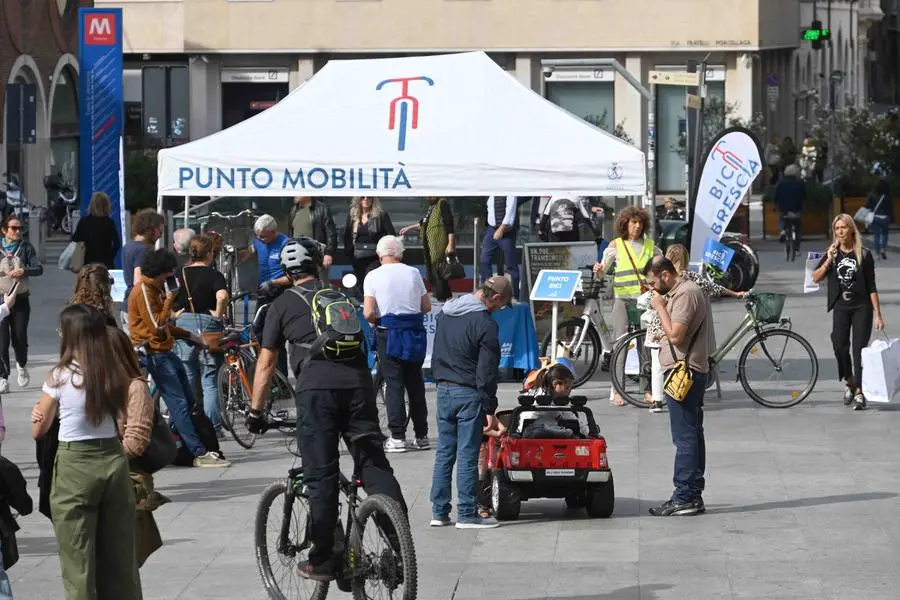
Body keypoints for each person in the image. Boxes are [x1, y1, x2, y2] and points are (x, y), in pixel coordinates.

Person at [246, 237, 407, 581]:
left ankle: (324, 558)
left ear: (287, 272)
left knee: (321, 475)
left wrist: (256, 412)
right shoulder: (339, 297)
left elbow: (265, 363)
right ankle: (399, 545)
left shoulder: (281, 305)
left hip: (317, 392)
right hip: (359, 386)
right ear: (319, 266)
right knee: (373, 463)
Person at [31, 305, 143, 599]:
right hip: (113, 461)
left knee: (77, 559)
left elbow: (38, 430)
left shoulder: (59, 376)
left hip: (75, 465)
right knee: (120, 559)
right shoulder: (114, 373)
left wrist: (41, 413)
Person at [128, 249, 230, 467]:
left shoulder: (154, 289)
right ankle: (198, 452)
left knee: (190, 401)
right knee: (179, 403)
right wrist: (170, 299)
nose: (170, 280)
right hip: (154, 353)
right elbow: (157, 325)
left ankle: (192, 445)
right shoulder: (144, 291)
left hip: (165, 350)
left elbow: (164, 328)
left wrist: (189, 336)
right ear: (160, 273)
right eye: (168, 275)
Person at [429, 275, 510, 529]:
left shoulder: (446, 313)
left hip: (443, 389)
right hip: (468, 392)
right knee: (467, 453)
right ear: (494, 298)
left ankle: (439, 512)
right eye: (501, 305)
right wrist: (489, 407)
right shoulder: (484, 323)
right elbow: (486, 370)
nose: (499, 310)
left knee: (444, 452)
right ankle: (466, 513)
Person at [641, 245, 747, 413]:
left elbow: (648, 302)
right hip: (673, 336)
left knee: (658, 366)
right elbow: (715, 288)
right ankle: (664, 396)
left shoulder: (668, 282)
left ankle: (657, 398)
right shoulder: (688, 279)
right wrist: (736, 294)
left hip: (657, 330)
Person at [642, 256, 710, 517]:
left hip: (684, 372)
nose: (652, 288)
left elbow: (677, 335)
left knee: (684, 436)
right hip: (688, 368)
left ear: (666, 275)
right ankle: (692, 494)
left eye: (653, 282)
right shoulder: (683, 291)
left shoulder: (685, 293)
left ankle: (684, 495)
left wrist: (660, 307)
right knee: (692, 432)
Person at [363, 235, 430, 452]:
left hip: (388, 332)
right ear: (400, 253)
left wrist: (375, 323)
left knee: (394, 385)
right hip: (414, 332)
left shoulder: (372, 276)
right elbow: (426, 306)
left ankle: (398, 436)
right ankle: (422, 435)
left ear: (379, 254)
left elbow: (368, 313)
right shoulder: (413, 272)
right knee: (415, 385)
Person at [812, 214, 884, 410]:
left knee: (859, 350)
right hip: (841, 307)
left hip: (862, 307)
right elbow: (815, 278)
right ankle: (850, 381)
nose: (840, 232)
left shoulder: (864, 254)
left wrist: (878, 314)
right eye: (837, 229)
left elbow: (871, 286)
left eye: (844, 227)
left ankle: (860, 391)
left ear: (852, 229)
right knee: (838, 345)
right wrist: (828, 260)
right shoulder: (832, 253)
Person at [593, 206, 660, 404]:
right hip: (622, 299)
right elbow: (601, 273)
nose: (637, 226)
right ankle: (617, 390)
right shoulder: (616, 245)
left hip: (645, 301)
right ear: (625, 223)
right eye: (633, 222)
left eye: (639, 223)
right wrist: (598, 269)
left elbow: (660, 267)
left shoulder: (651, 246)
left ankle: (647, 388)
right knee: (620, 344)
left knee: (646, 346)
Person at [110, 327, 164, 568]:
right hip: (102, 477)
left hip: (127, 480)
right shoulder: (91, 387)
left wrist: (97, 455)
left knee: (123, 566)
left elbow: (135, 442)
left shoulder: (135, 387)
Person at [173, 235, 229, 434]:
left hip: (183, 326)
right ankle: (213, 428)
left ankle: (187, 426)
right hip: (208, 327)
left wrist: (174, 313)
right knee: (209, 380)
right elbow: (221, 296)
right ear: (209, 254)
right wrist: (218, 313)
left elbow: (167, 295)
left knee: (187, 378)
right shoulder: (214, 274)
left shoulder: (179, 272)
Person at [241, 215, 292, 376]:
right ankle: (266, 371)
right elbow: (244, 255)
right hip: (264, 293)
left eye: (263, 236)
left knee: (276, 336)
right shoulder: (258, 241)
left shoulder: (286, 244)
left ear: (274, 232)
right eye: (257, 236)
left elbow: (293, 275)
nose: (259, 239)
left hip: (280, 292)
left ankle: (281, 376)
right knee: (259, 333)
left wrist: (274, 283)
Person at [0, 215, 43, 392]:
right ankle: (3, 377)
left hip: (20, 299)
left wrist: (24, 271)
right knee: (2, 341)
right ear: (4, 230)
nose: (17, 231)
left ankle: (21, 364)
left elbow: (38, 268)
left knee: (19, 337)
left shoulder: (26, 248)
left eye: (20, 228)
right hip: (1, 298)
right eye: (13, 228)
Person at [400, 197, 456, 301]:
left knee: (439, 270)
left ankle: (442, 297)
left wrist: (450, 244)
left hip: (439, 244)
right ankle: (442, 296)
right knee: (433, 272)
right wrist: (409, 228)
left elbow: (449, 224)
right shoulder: (432, 207)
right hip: (430, 245)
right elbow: (424, 223)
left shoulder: (442, 204)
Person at [121, 209, 166, 332]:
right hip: (139, 308)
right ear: (151, 229)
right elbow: (139, 281)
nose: (160, 235)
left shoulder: (128, 246)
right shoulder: (144, 250)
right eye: (159, 231)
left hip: (127, 304)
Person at [344, 196, 396, 289]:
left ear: (373, 199)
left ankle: (372, 302)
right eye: (362, 197)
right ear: (358, 199)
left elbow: (391, 236)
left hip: (375, 257)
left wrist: (384, 254)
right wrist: (350, 253)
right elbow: (347, 235)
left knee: (372, 280)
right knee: (361, 282)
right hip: (357, 256)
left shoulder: (381, 215)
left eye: (369, 197)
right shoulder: (353, 215)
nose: (366, 199)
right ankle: (364, 302)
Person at [480, 196, 521, 300]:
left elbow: (510, 210)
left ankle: (514, 296)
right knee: (484, 260)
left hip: (506, 230)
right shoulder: (491, 191)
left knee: (510, 265)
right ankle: (488, 292)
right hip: (491, 229)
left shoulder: (509, 190)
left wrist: (502, 228)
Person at [289, 196, 338, 281]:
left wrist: (329, 253)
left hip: (317, 256)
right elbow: (291, 233)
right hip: (298, 257)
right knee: (301, 286)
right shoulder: (294, 210)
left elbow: (331, 233)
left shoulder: (322, 208)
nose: (294, 195)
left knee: (321, 286)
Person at [70, 192, 122, 268]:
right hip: (105, 262)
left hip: (87, 262)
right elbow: (117, 243)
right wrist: (110, 255)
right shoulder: (109, 222)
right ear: (106, 206)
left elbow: (75, 239)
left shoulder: (84, 221)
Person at [774, 164, 806, 259]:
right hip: (796, 210)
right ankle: (796, 249)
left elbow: (776, 197)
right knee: (798, 228)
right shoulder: (800, 183)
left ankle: (783, 230)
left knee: (782, 216)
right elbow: (804, 196)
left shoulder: (780, 184)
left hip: (784, 209)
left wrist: (777, 206)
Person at [866, 178, 893, 260]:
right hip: (885, 218)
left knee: (876, 236)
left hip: (875, 217)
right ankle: (883, 249)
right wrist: (891, 218)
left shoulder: (872, 195)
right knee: (885, 235)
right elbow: (890, 208)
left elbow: (867, 206)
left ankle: (877, 254)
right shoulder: (887, 197)